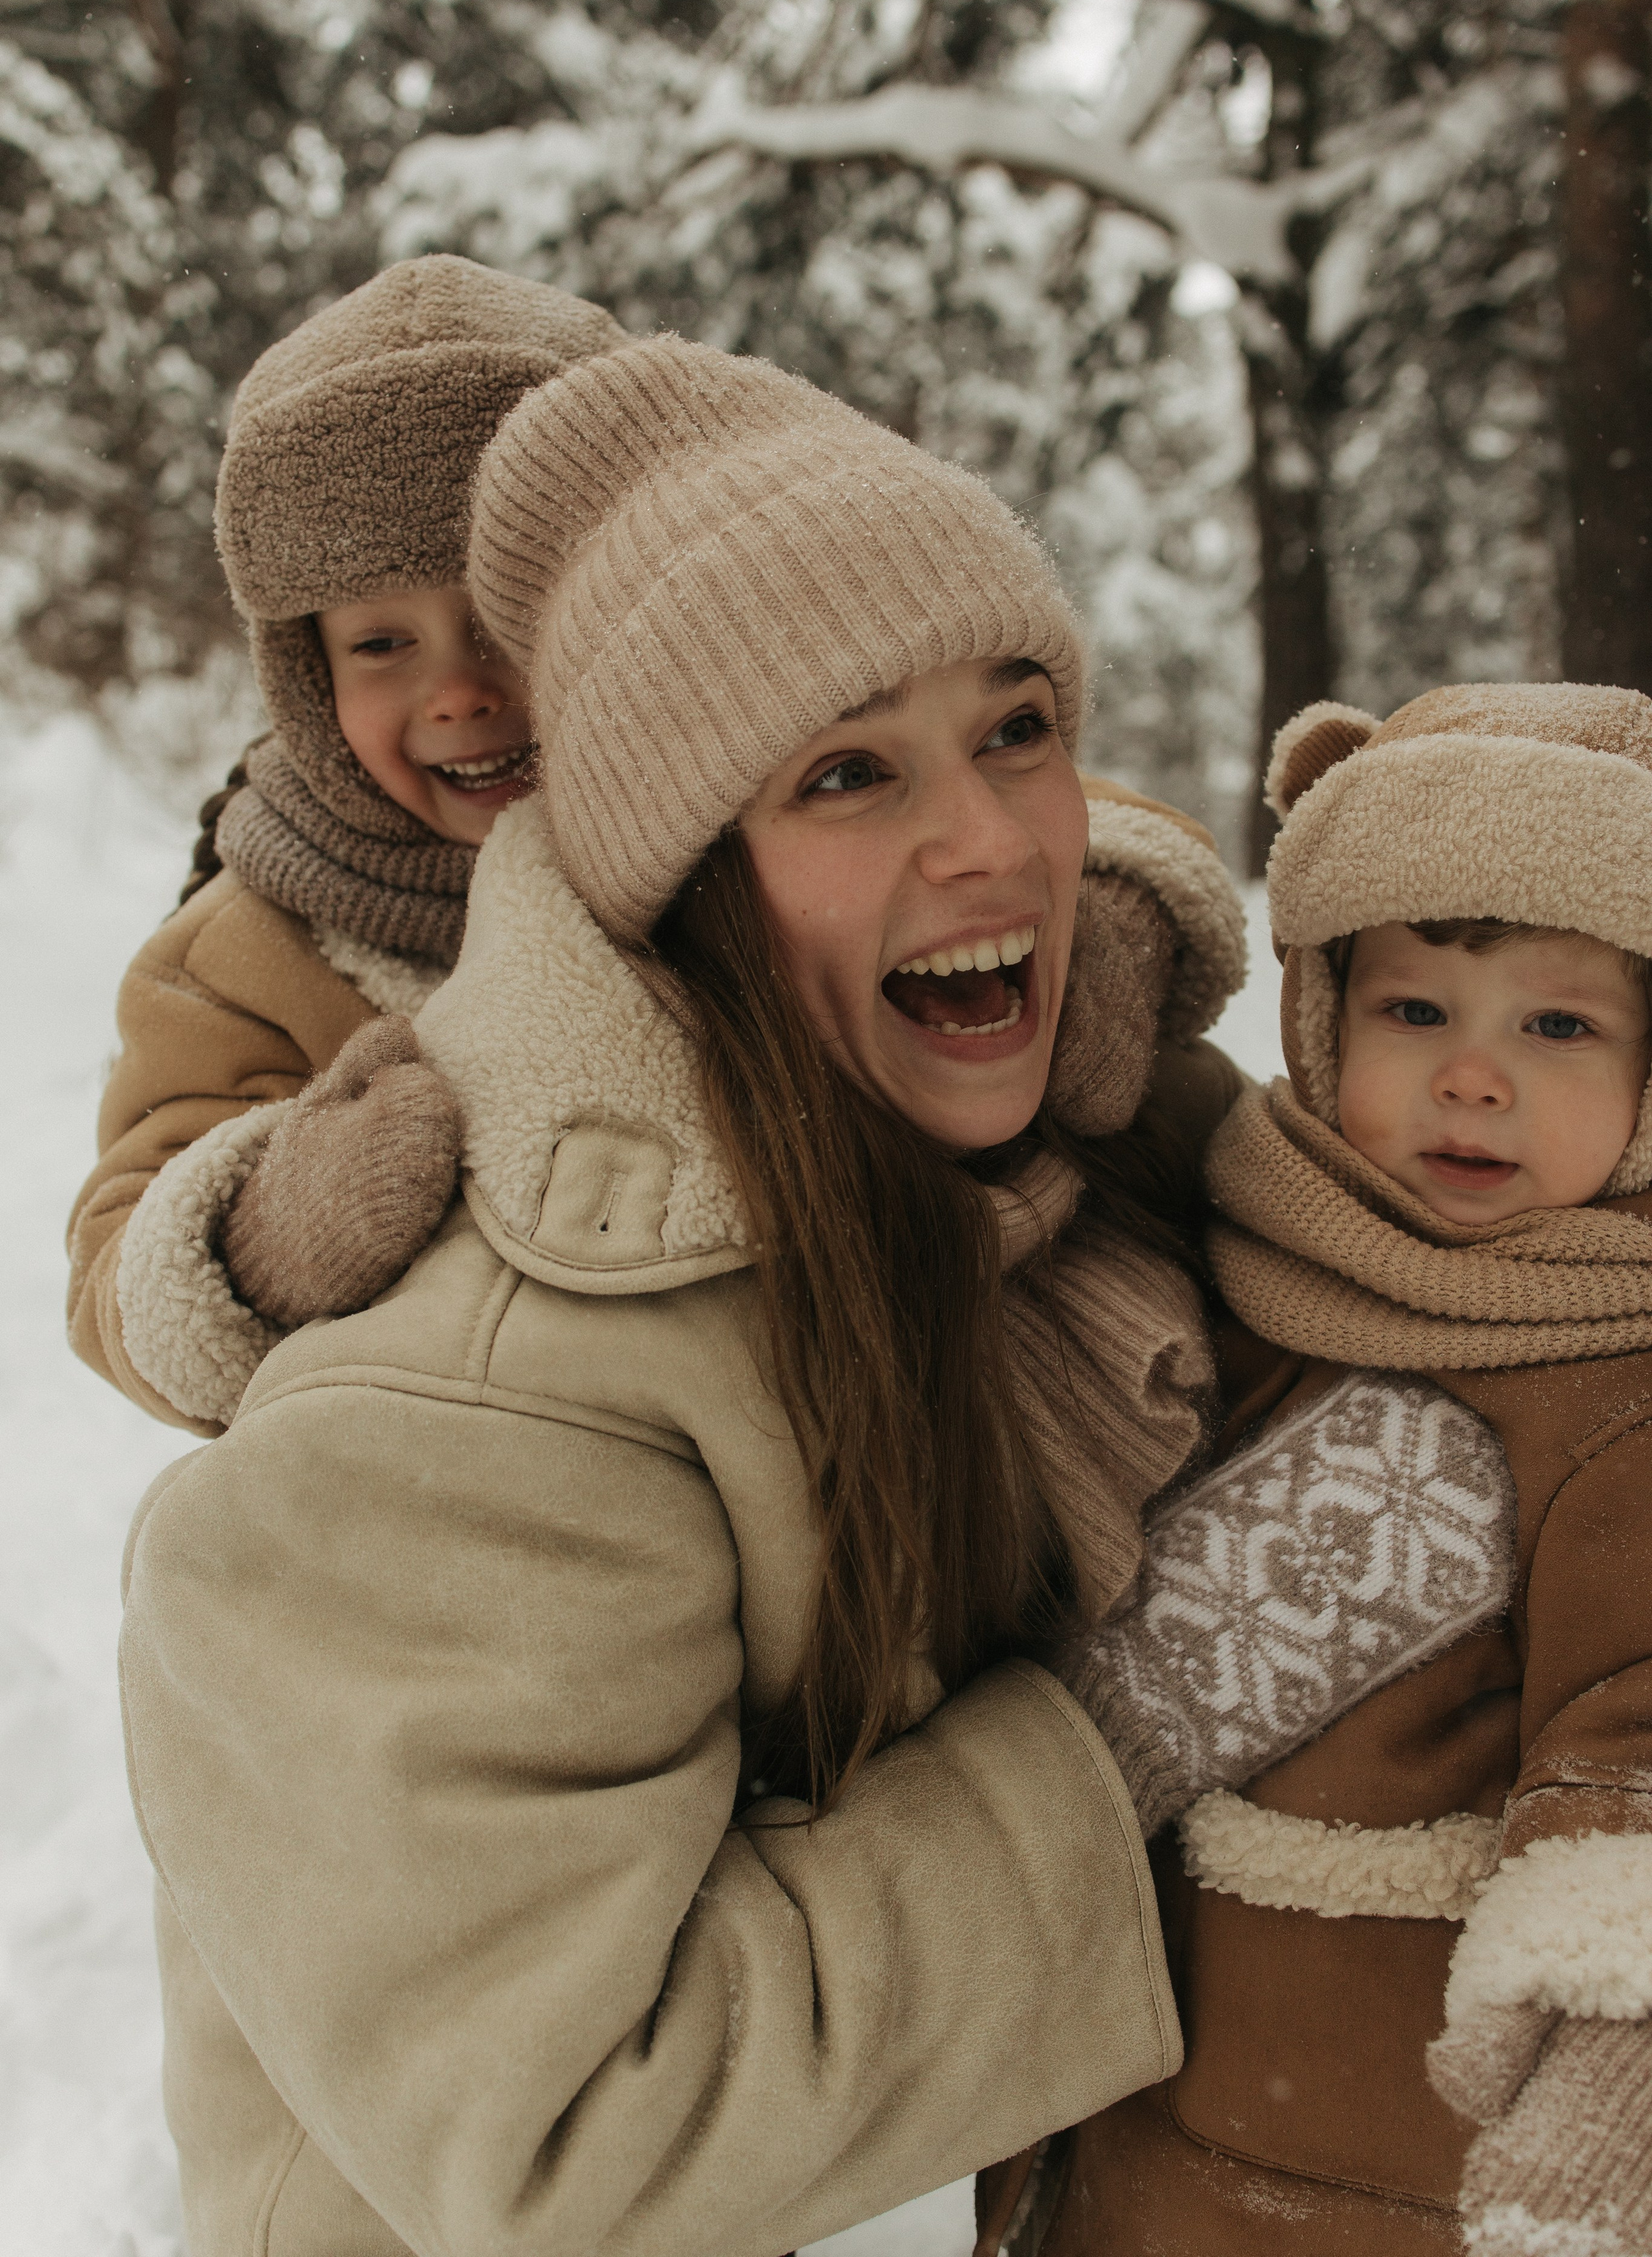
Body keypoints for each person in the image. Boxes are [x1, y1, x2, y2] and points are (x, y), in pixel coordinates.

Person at [117, 343, 1513, 2257]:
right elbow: (578, 2145)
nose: (990, 839)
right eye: (850, 771)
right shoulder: (449, 1431)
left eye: (1015, 728)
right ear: (686, 875)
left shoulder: (1067, 1172)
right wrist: (1130, 1720)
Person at [1047, 683, 1652, 2257]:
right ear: (1317, 1017)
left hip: (1398, 2154)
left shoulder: (1617, 1391)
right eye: (1412, 1011)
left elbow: (1633, 1743)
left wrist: (1610, 2065)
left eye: (1557, 1025)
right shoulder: (1246, 1252)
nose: (1470, 1078)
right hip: (1132, 2098)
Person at [66, 254, 629, 1430]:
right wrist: (268, 1230)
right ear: (306, 680)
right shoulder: (247, 949)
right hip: (423, 1483)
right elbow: (114, 1269)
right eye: (383, 645)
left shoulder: (746, 811)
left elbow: (982, 798)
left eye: (504, 620)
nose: (460, 689)